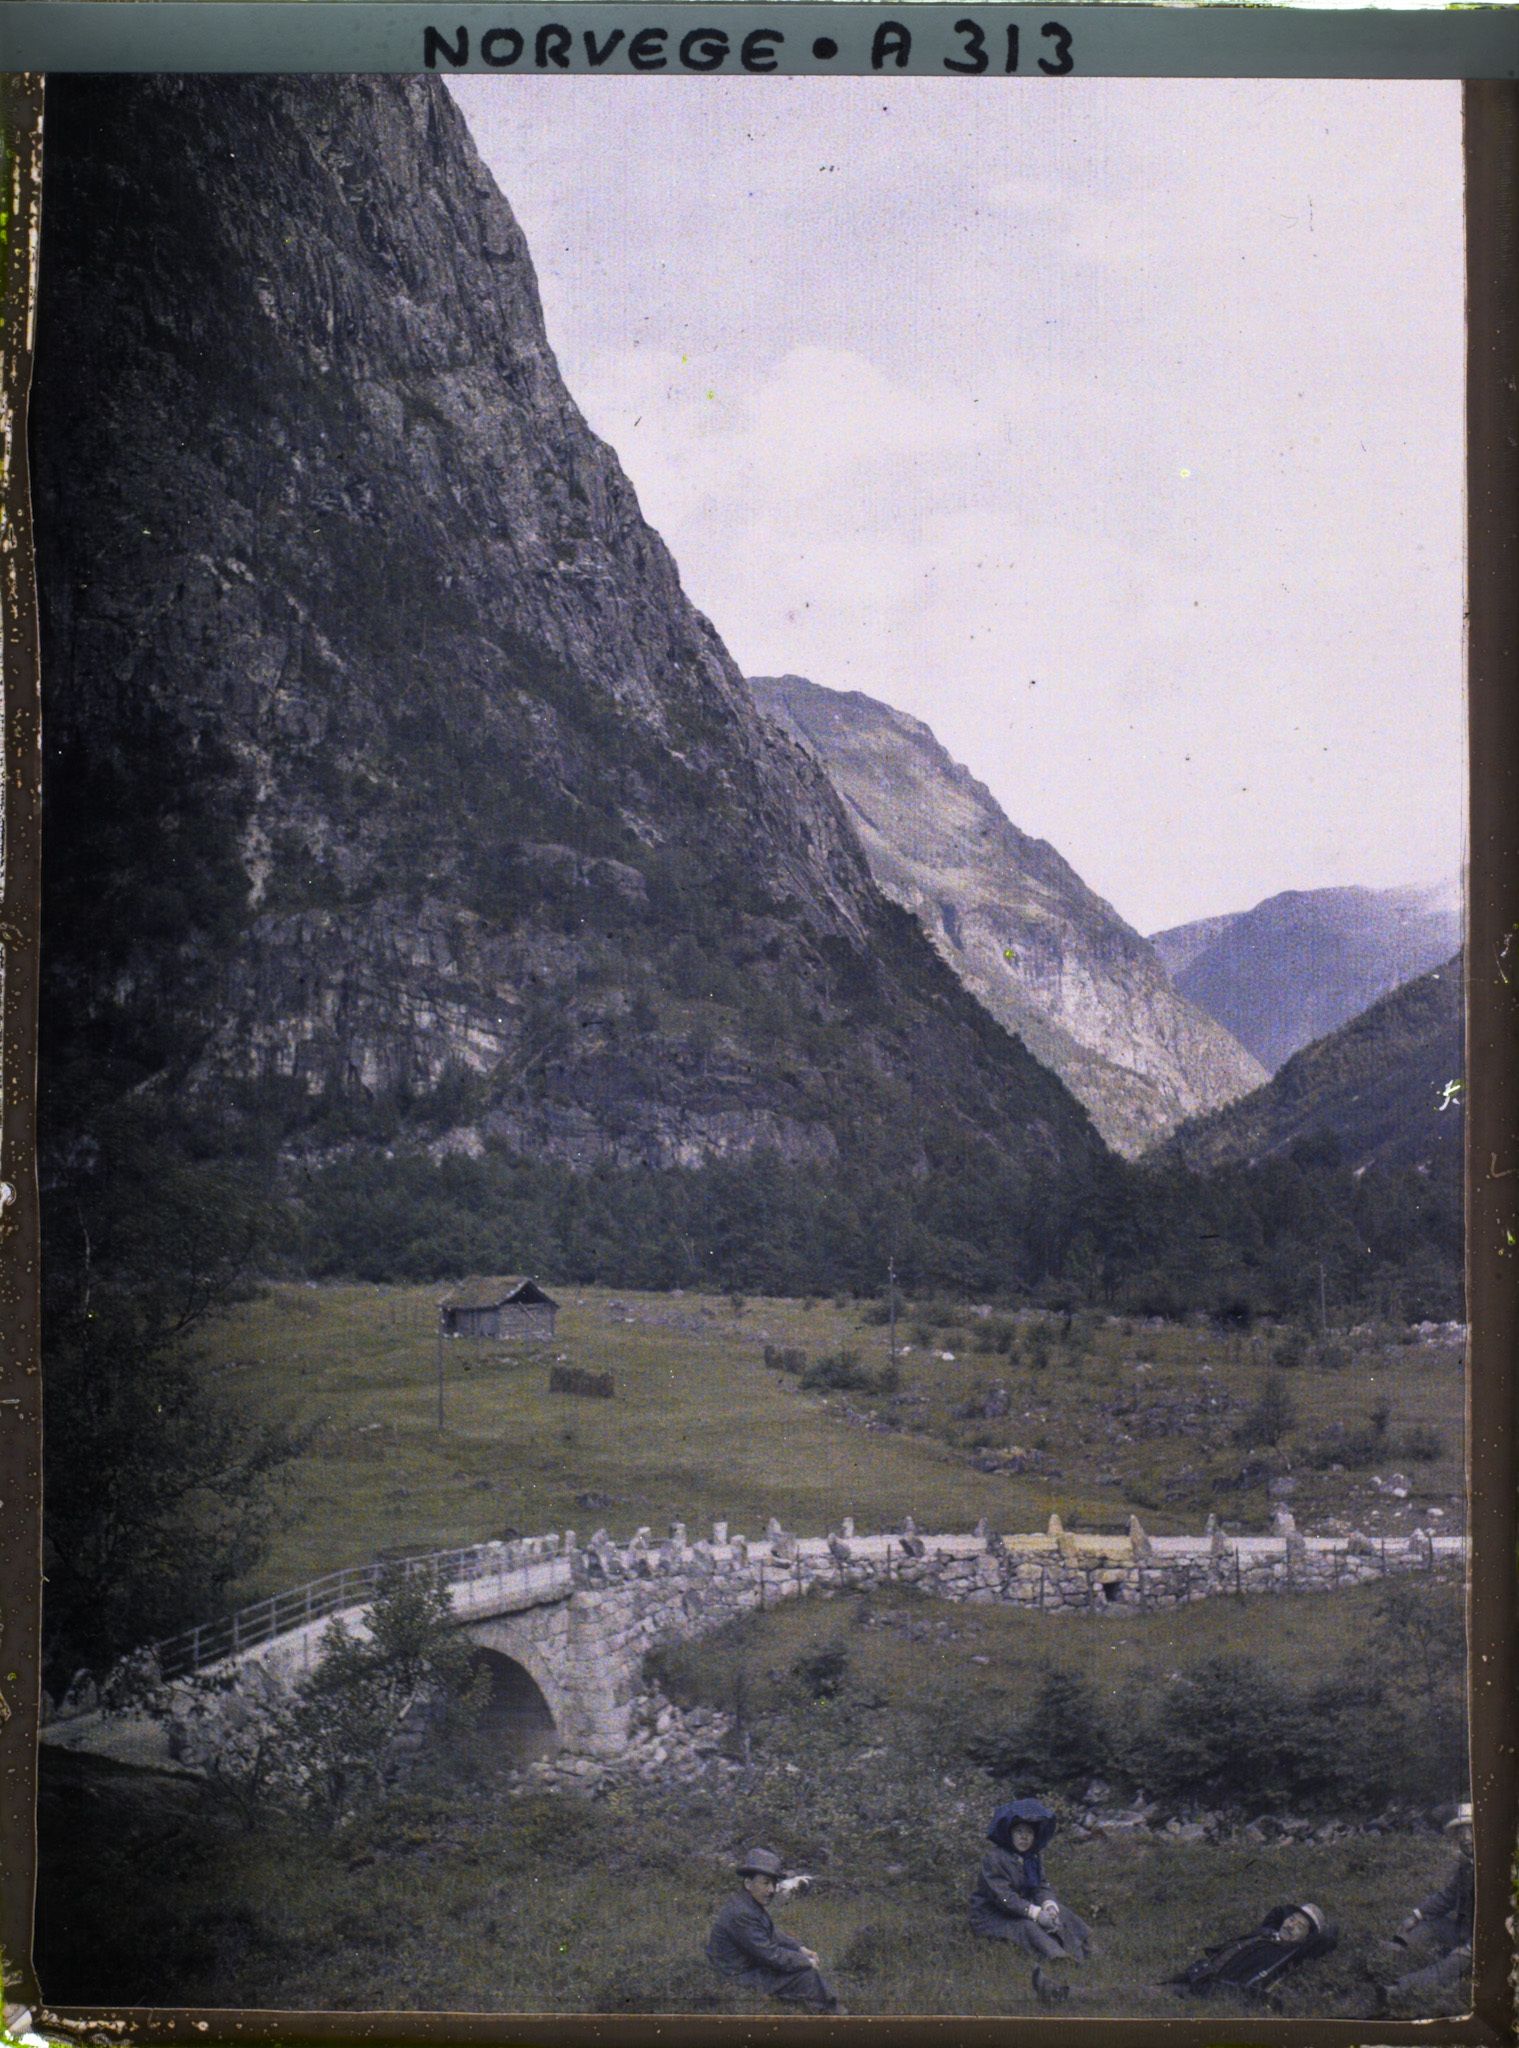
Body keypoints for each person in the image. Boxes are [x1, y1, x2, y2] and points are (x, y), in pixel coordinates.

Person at [968, 1797, 1092, 2003]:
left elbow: (1042, 1886)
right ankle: (1060, 1961)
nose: (1024, 1838)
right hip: (992, 1915)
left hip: (1021, 1908)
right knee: (1027, 1927)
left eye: (1029, 1833)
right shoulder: (994, 1859)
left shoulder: (1033, 1857)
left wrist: (1049, 1907)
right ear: (1010, 1834)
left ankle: (1084, 1950)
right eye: (1019, 1832)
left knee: (1063, 1913)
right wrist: (1035, 1913)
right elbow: (1003, 1898)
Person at [706, 1847, 843, 2014]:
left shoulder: (748, 1903)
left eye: (773, 1883)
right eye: (765, 1883)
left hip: (747, 1967)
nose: (771, 1890)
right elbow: (770, 1955)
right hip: (737, 1976)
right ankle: (837, 2020)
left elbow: (772, 1933)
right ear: (748, 1883)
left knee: (801, 1971)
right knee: (807, 1977)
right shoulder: (742, 1913)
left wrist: (800, 1948)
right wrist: (805, 1961)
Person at [1378, 1802, 1474, 2010]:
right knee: (1430, 1925)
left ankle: (1399, 1990)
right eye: (1461, 1832)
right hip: (1467, 1929)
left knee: (1451, 1964)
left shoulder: (1503, 1868)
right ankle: (1395, 1952)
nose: (1466, 1838)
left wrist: (1471, 1947)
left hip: (1493, 1942)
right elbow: (1448, 1896)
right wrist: (1417, 1914)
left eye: (1471, 1831)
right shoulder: (1468, 1866)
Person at [1167, 1902, 1337, 1999]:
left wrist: (1316, 1929)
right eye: (1291, 1919)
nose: (1291, 1926)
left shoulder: (1291, 1953)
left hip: (1217, 1992)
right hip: (1199, 1976)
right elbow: (1278, 1912)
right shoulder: (1266, 1932)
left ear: (1307, 1937)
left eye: (1300, 1926)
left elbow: (1327, 1939)